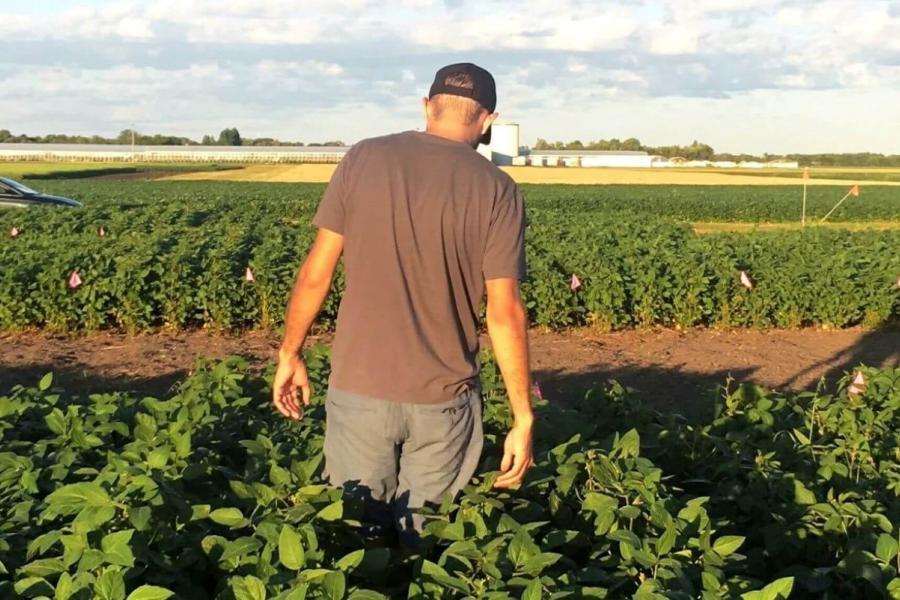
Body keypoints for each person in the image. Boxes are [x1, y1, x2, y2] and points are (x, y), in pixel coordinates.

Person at [272, 62, 533, 544]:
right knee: (428, 546)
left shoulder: (364, 159)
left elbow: (316, 274)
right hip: (443, 399)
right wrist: (523, 415)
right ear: (488, 119)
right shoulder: (498, 189)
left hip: (359, 390)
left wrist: (291, 353)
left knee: (354, 540)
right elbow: (504, 312)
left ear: (427, 105)